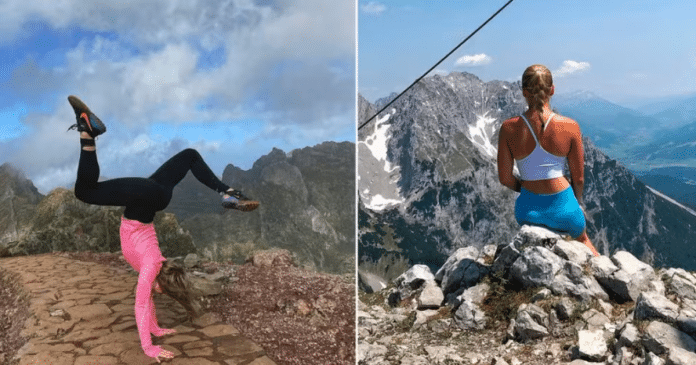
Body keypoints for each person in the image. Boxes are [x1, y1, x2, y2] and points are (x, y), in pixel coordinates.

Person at [67, 95, 259, 362]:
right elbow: (142, 303)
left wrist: (157, 328)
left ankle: (228, 193)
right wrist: (149, 347)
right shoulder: (151, 267)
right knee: (85, 191)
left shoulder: (158, 263)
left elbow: (148, 300)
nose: (154, 292)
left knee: (190, 156)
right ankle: (88, 132)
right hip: (144, 199)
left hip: (154, 195)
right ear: (161, 284)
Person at [497, 65, 600, 257]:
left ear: (523, 92)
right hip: (565, 208)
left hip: (527, 211)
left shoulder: (508, 128)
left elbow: (504, 178)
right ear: (552, 89)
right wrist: (577, 203)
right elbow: (578, 179)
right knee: (584, 241)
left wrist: (526, 187)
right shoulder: (570, 126)